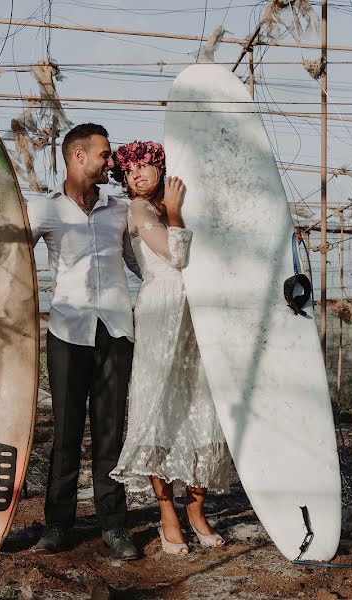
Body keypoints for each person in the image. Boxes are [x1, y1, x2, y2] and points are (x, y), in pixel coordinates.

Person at [0, 123, 142, 560]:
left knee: (109, 433)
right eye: (105, 153)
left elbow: (144, 264)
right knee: (64, 433)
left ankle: (114, 526)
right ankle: (59, 525)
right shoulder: (44, 210)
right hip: (68, 333)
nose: (112, 161)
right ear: (78, 157)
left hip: (116, 332)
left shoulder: (121, 211)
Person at [108, 140, 232, 555]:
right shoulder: (140, 210)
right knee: (156, 407)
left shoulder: (167, 207)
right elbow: (176, 255)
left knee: (202, 407)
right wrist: (174, 216)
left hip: (195, 308)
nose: (137, 174)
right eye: (129, 170)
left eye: (144, 165)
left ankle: (197, 510)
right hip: (162, 311)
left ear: (160, 166)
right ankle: (167, 513)